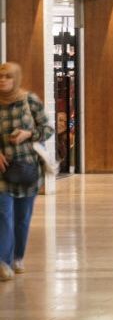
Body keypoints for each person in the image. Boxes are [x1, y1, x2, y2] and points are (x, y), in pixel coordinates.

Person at [0, 63, 53, 282]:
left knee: (22, 218)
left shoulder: (29, 100)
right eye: (0, 76)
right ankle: (3, 263)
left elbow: (47, 129)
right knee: (4, 215)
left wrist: (28, 134)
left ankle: (17, 257)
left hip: (27, 169)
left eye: (8, 76)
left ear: (16, 78)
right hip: (2, 171)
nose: (3, 80)